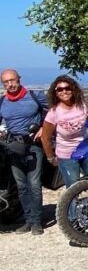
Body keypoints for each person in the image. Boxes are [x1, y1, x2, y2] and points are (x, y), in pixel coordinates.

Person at [0, 69, 47, 234]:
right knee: (21, 186)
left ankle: (37, 222)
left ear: (19, 79)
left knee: (34, 184)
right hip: (13, 147)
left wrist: (43, 128)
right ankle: (28, 220)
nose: (10, 84)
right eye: (6, 82)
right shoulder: (2, 102)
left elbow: (53, 112)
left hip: (33, 146)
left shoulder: (35, 96)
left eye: (12, 80)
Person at [40, 75, 88, 187]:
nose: (64, 91)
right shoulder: (54, 113)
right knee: (73, 188)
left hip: (86, 150)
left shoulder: (83, 106)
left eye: (67, 88)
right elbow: (45, 138)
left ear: (73, 89)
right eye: (60, 89)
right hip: (67, 155)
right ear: (55, 93)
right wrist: (51, 158)